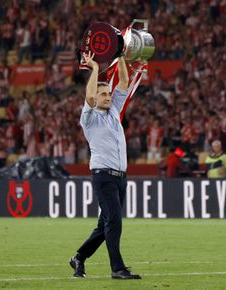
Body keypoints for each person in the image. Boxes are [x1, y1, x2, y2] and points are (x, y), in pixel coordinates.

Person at [69, 51, 141, 280]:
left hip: (120, 176)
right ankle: (117, 268)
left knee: (105, 225)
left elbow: (124, 81)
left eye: (108, 93)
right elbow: (89, 96)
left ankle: (79, 257)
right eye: (103, 93)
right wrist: (95, 69)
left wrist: (120, 55)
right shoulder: (89, 117)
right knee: (114, 221)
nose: (108, 96)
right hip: (104, 176)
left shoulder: (114, 113)